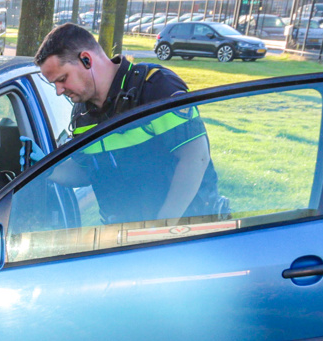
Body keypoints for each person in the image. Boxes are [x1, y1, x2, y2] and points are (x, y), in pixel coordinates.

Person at [34, 22, 217, 223]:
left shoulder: (155, 88)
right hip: (125, 235)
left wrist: (162, 227)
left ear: (86, 59)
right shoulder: (81, 115)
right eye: (54, 84)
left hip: (183, 232)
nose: (59, 91)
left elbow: (195, 158)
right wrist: (48, 169)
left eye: (62, 79)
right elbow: (86, 171)